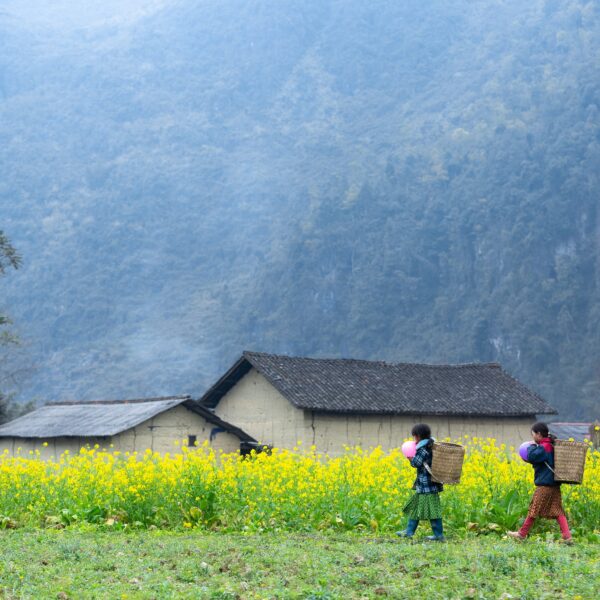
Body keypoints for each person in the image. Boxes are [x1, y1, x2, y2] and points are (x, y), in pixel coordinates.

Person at [507, 422, 573, 544]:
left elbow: (532, 456)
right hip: (554, 485)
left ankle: (521, 534)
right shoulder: (552, 445)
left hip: (544, 485)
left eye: (533, 435)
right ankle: (567, 536)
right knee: (558, 510)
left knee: (534, 509)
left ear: (538, 434)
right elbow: (541, 461)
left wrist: (531, 446)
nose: (533, 438)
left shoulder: (545, 447)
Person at [396, 423, 445, 541]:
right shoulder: (431, 445)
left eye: (414, 437)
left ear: (418, 436)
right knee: (417, 508)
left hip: (427, 486)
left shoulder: (423, 448)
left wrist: (410, 458)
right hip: (427, 486)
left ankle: (439, 535)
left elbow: (416, 463)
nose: (414, 440)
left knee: (433, 511)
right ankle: (409, 531)